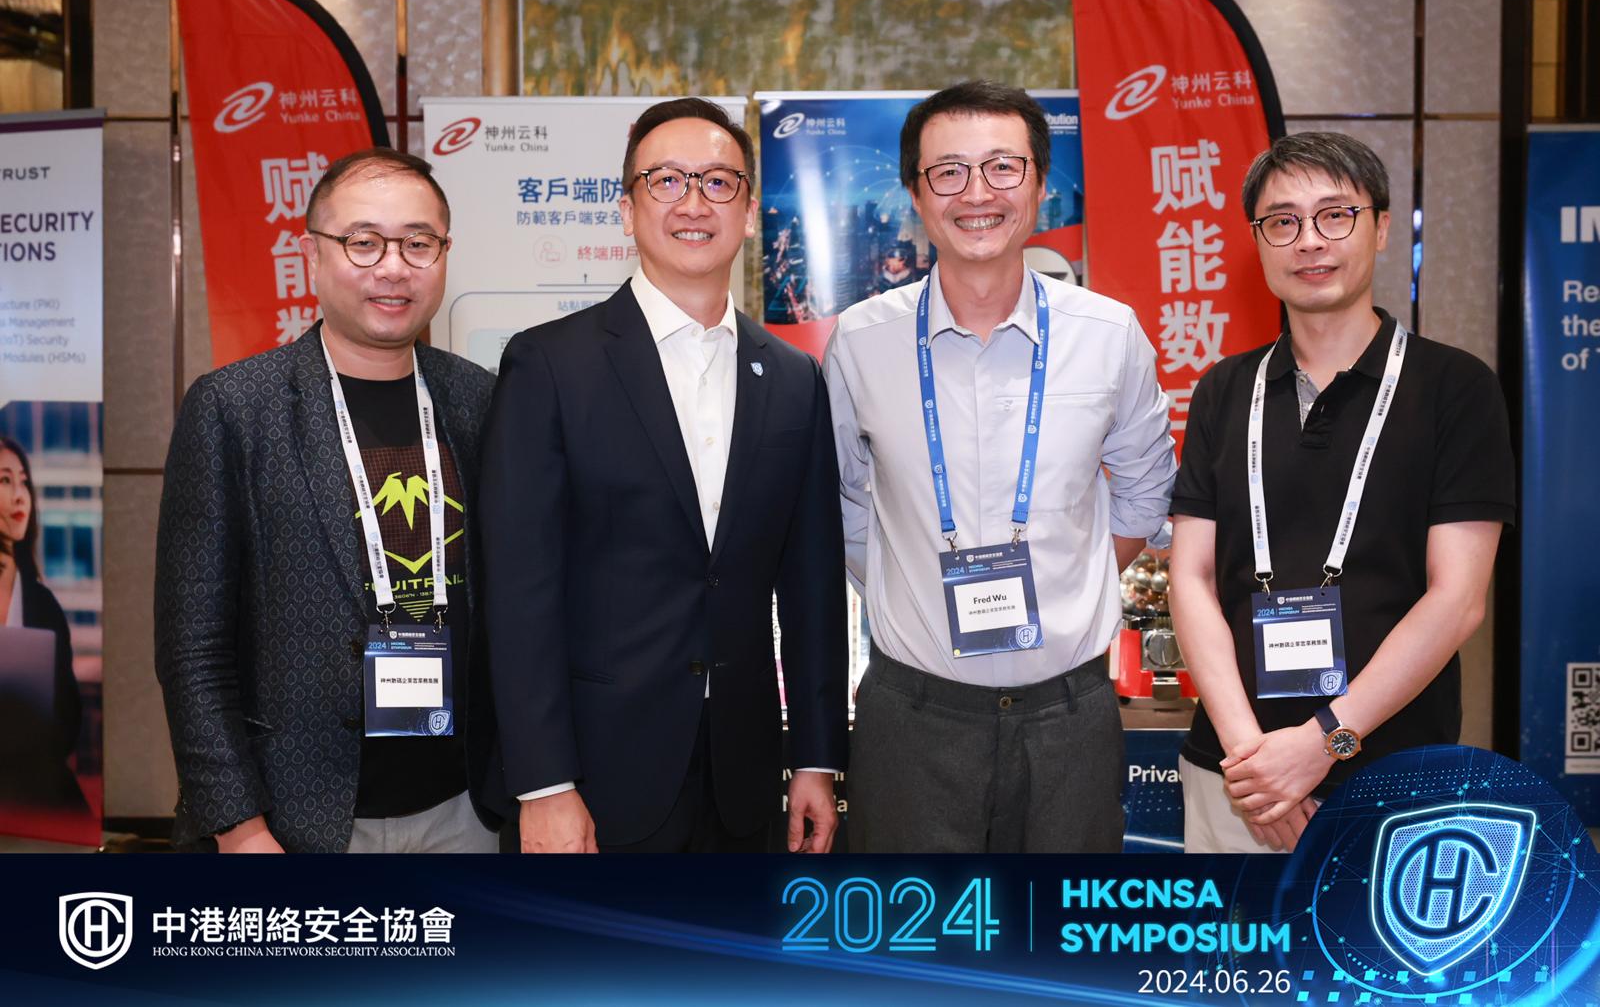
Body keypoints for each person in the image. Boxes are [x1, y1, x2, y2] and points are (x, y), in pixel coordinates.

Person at [481, 97, 848, 854]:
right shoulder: (549, 364)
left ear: (749, 213)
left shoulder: (792, 378)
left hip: (744, 774)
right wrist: (544, 784)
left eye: (718, 182)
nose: (693, 202)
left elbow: (811, 586)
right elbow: (519, 590)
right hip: (596, 772)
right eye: (666, 181)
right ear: (626, 210)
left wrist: (816, 756)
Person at [824, 81, 1176, 852]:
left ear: (1040, 184)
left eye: (1002, 168)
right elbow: (843, 502)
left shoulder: (1108, 334)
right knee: (908, 932)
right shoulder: (860, 341)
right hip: (912, 719)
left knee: (1059, 931)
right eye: (948, 172)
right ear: (916, 193)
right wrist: (914, 586)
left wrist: (1069, 578)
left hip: (1069, 718)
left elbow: (1146, 493)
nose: (977, 193)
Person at [1169, 132, 1514, 853]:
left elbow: (1458, 600)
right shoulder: (1224, 390)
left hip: (1393, 779)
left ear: (1381, 228)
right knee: (1231, 935)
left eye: (1336, 215)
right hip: (1235, 779)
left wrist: (1321, 743)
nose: (1309, 241)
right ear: (1257, 242)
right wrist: (1253, 759)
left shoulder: (1454, 388)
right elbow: (1191, 579)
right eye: (1282, 221)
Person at [154, 148, 504, 853]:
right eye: (363, 241)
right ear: (312, 254)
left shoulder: (480, 400)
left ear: (444, 254)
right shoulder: (235, 408)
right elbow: (192, 646)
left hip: (465, 807)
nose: (393, 267)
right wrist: (239, 826)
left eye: (418, 243)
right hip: (295, 816)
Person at [0, 436, 85, 807]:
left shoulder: (43, 604)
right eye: (5, 481)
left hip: (32, 779)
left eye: (24, 483)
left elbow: (69, 715)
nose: (20, 496)